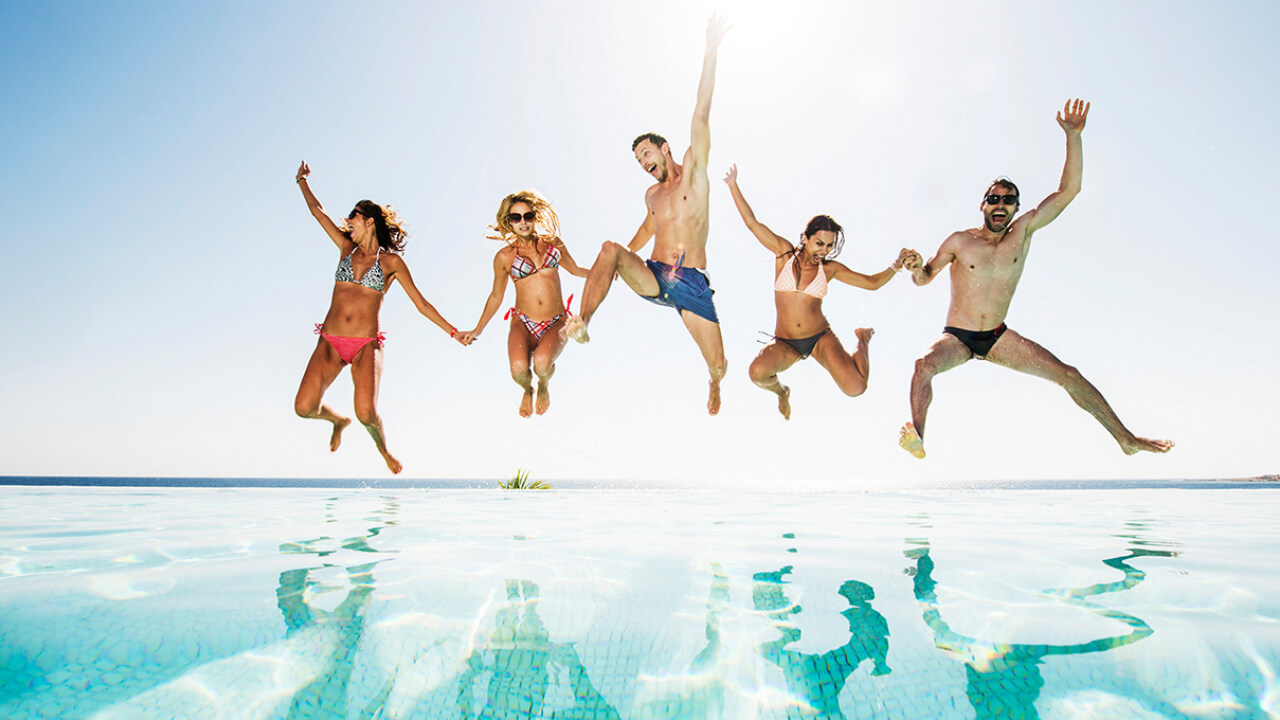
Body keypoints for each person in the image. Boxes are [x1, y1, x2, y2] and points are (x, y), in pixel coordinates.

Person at [897, 100, 1173, 458]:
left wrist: (1073, 137)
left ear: (1015, 207)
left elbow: (1067, 192)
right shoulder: (959, 241)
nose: (1001, 205)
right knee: (923, 366)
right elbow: (924, 278)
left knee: (1069, 375)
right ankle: (917, 438)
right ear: (982, 205)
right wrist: (916, 265)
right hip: (958, 336)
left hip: (998, 336)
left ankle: (1126, 439)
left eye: (1008, 200)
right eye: (994, 199)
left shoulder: (1023, 231)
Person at [562, 13, 731, 415]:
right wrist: (611, 264)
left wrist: (710, 51)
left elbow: (701, 115)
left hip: (691, 283)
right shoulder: (652, 194)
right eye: (638, 160)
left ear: (665, 147)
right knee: (610, 247)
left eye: (646, 154)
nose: (643, 162)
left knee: (719, 364)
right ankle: (582, 322)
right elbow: (640, 233)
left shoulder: (693, 172)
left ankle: (714, 382)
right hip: (656, 274)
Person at [293, 161, 464, 474]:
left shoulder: (391, 263)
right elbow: (318, 211)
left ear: (369, 221)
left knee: (366, 412)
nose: (347, 222)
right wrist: (301, 181)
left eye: (353, 217)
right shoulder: (345, 248)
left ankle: (383, 450)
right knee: (303, 407)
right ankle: (336, 420)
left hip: (364, 347)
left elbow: (421, 304)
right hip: (329, 342)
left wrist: (454, 333)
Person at [724, 165, 918, 419]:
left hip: (819, 339)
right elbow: (752, 223)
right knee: (757, 373)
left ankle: (863, 339)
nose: (823, 251)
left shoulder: (830, 270)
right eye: (819, 243)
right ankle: (782, 393)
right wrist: (733, 185)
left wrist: (896, 265)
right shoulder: (783, 253)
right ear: (806, 237)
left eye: (829, 246)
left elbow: (872, 283)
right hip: (785, 343)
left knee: (856, 388)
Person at [456, 191, 588, 417]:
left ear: (535, 216)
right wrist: (478, 329)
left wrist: (600, 271)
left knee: (542, 364)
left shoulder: (553, 244)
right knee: (518, 371)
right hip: (523, 322)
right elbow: (496, 296)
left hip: (557, 320)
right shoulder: (504, 257)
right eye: (516, 218)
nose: (523, 222)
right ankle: (528, 389)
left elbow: (575, 269)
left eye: (528, 216)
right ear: (509, 222)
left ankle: (544, 384)